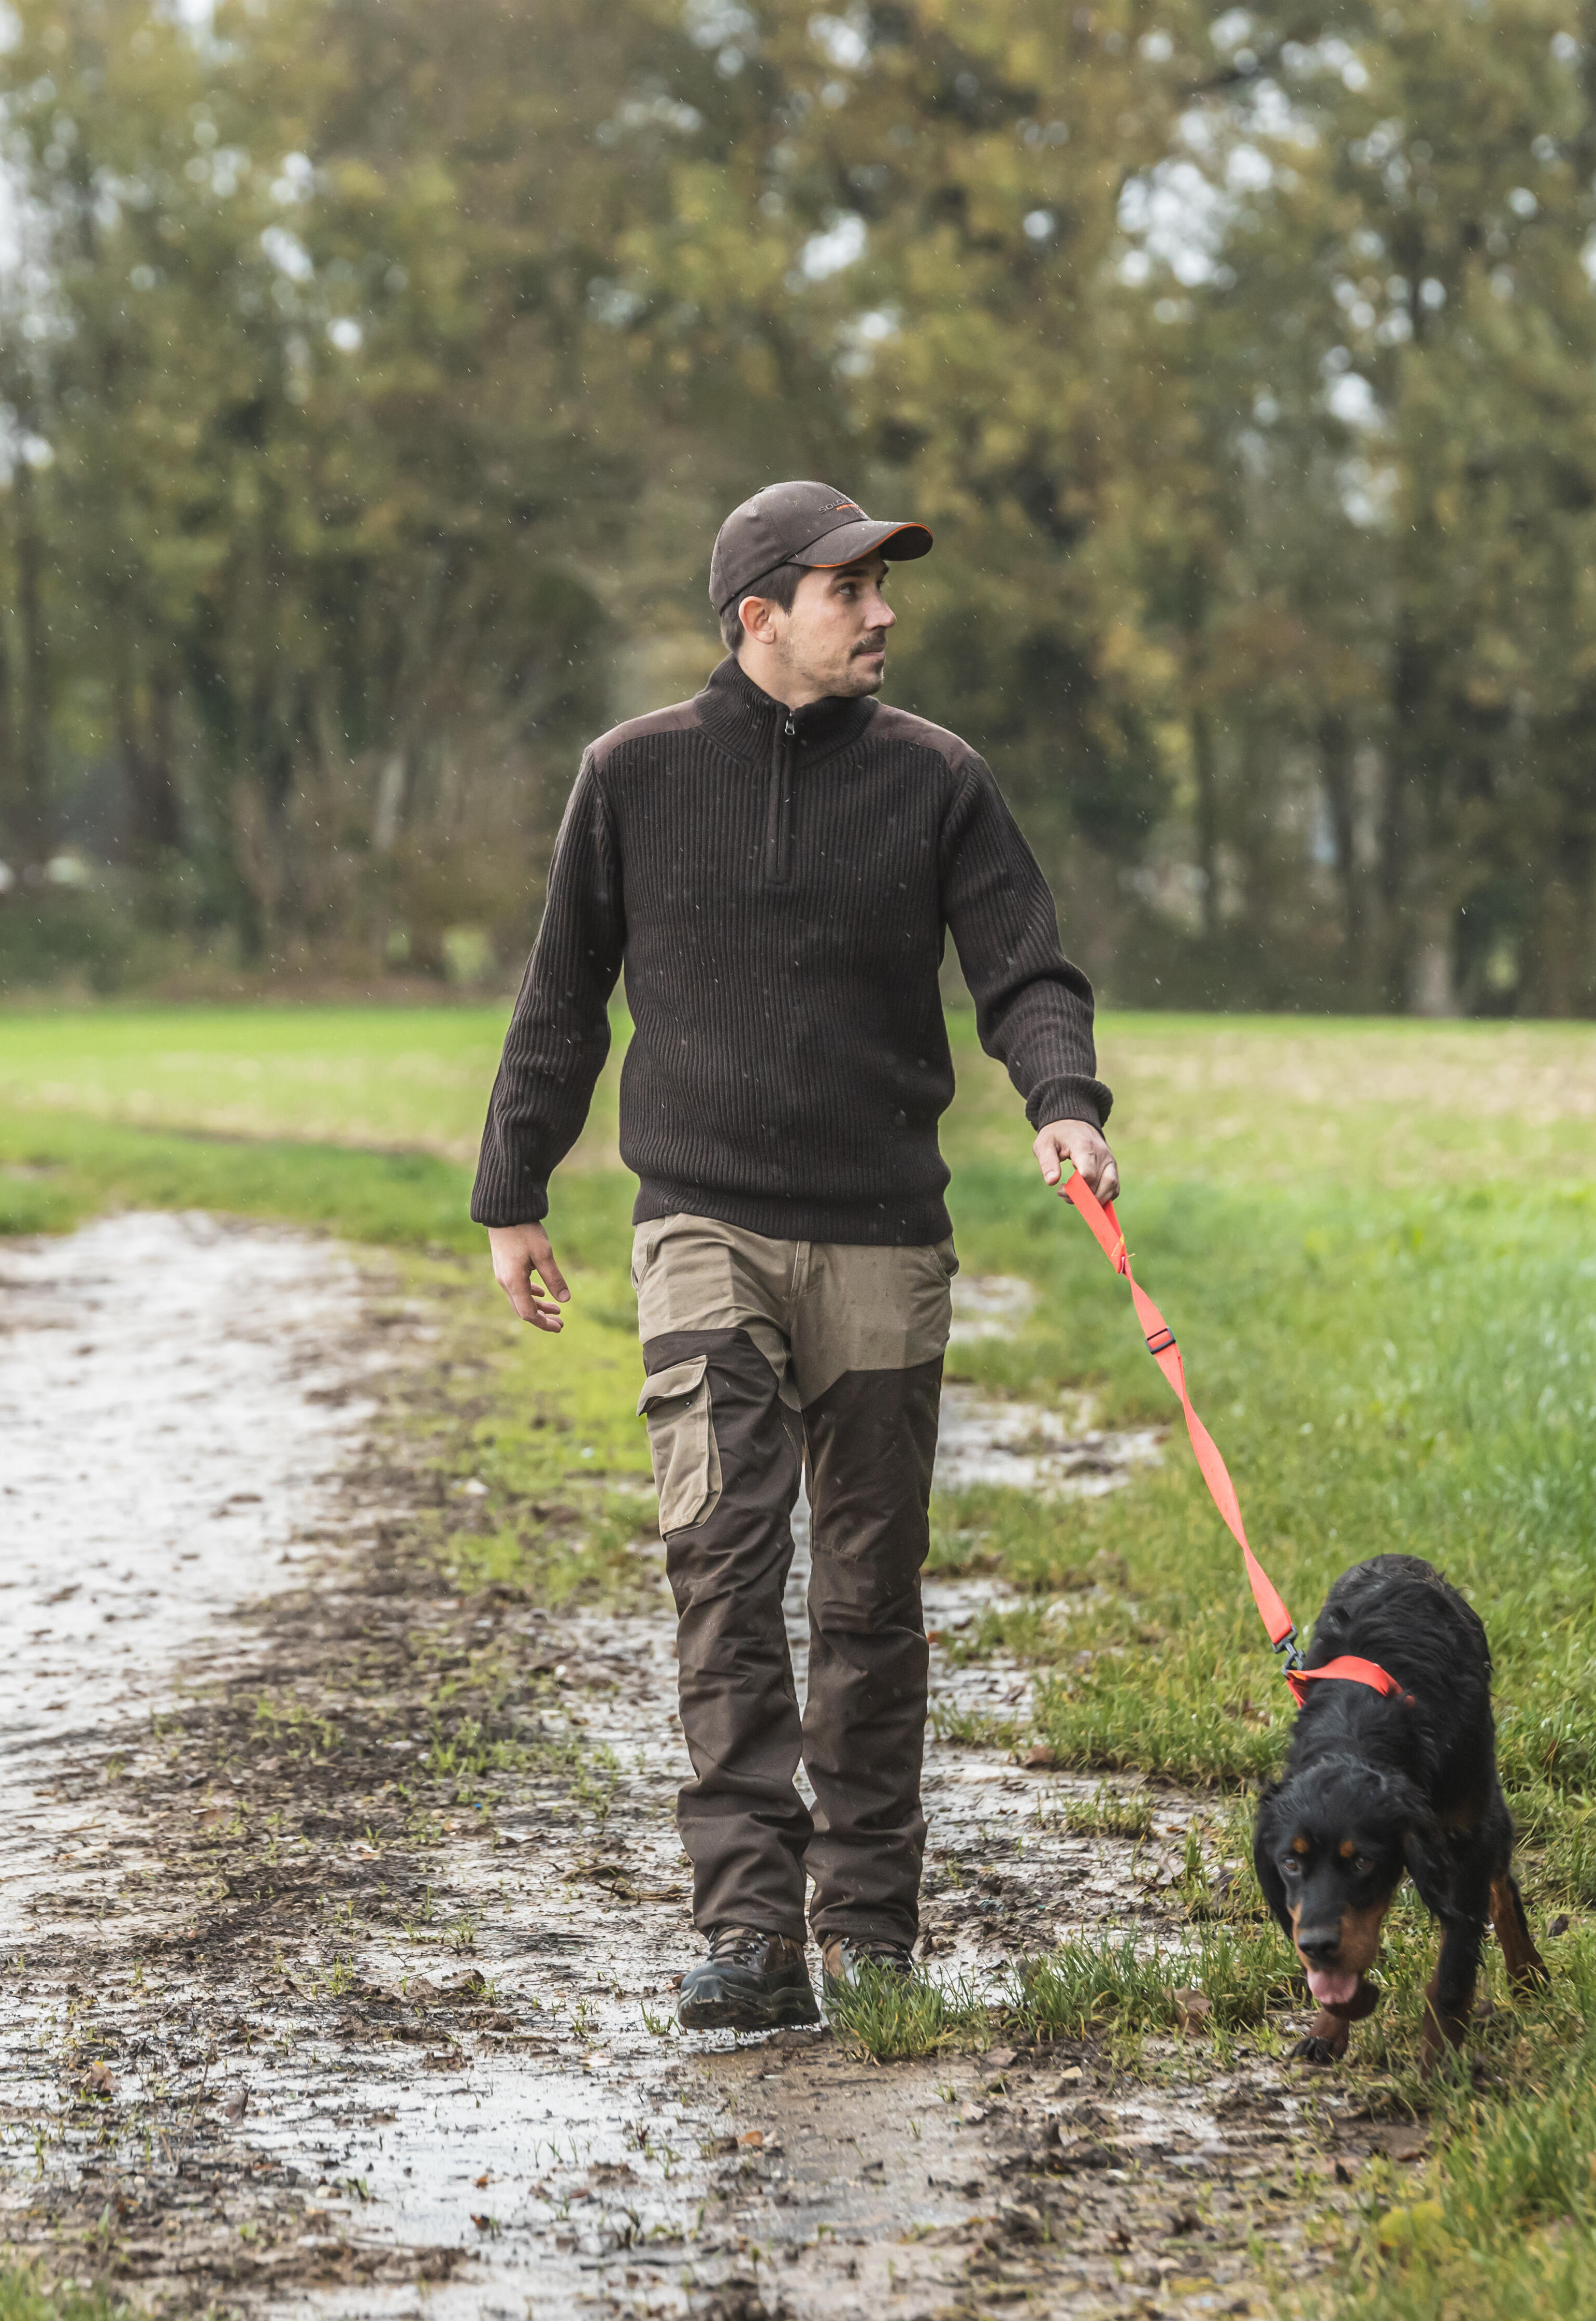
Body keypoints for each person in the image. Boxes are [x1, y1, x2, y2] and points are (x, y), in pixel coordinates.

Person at [470, 480, 1117, 2031]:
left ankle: (872, 1926)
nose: (884, 612)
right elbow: (564, 999)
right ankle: (752, 1930)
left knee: (873, 1590)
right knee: (726, 1564)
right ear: (759, 614)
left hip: (885, 1237)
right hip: (701, 1223)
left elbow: (1026, 968)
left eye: (886, 586)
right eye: (852, 590)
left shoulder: (939, 783)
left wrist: (1064, 1102)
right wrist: (514, 1193)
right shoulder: (631, 777)